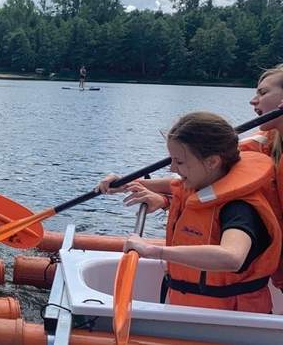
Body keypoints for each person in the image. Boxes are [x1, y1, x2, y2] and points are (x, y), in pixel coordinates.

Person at [98, 112, 281, 313]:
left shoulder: (239, 208)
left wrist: (154, 251)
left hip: (231, 323)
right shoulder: (203, 185)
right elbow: (173, 186)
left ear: (212, 162)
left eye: (180, 162)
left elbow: (232, 257)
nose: (172, 168)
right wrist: (122, 184)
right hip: (197, 314)